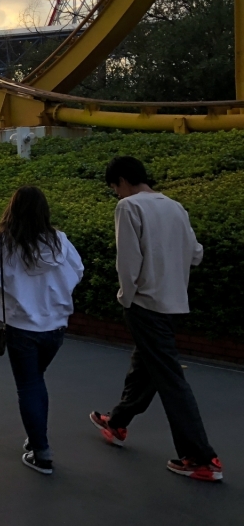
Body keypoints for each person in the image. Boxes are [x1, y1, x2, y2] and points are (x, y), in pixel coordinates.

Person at [89, 156, 221, 482]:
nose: (117, 195)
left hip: (146, 304)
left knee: (169, 379)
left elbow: (128, 263)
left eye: (115, 188)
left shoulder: (129, 208)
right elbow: (197, 254)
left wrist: (126, 298)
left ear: (121, 181)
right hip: (175, 303)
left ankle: (200, 458)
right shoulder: (175, 207)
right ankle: (117, 421)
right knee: (147, 367)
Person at [0, 186, 84, 476]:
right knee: (36, 382)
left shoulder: (2, 243)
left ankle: (42, 451)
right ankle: (36, 438)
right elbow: (78, 271)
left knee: (29, 385)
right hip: (56, 327)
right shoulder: (60, 241)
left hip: (21, 327)